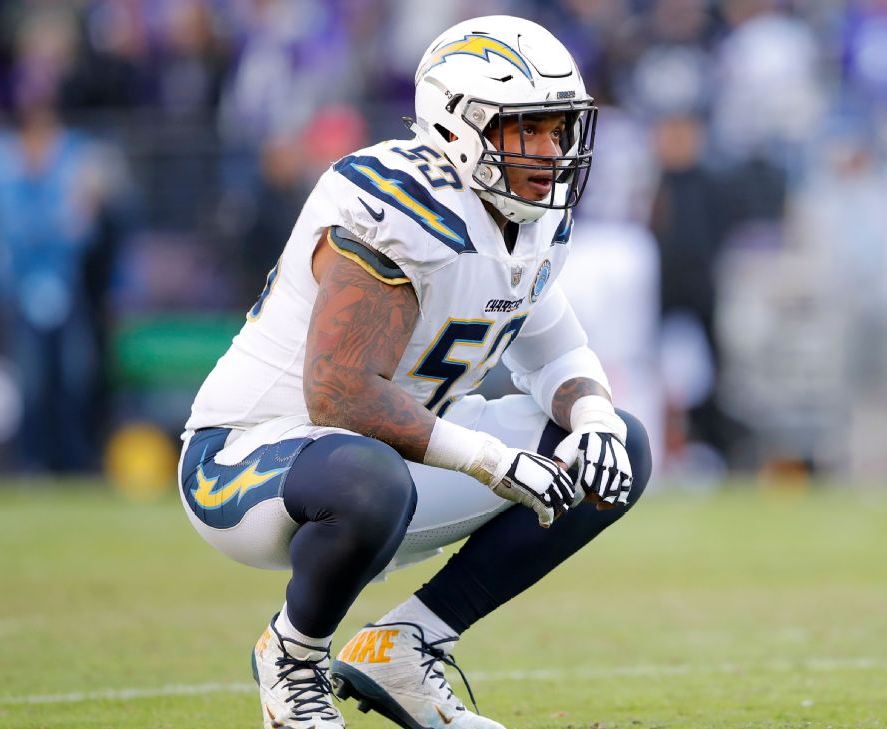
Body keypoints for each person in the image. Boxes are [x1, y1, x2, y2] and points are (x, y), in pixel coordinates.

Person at [177, 16, 651, 729]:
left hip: (395, 461)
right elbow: (339, 394)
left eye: (559, 129)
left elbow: (557, 354)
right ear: (461, 125)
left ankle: (405, 646)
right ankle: (292, 659)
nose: (551, 151)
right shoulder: (396, 201)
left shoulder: (528, 217)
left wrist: (595, 420)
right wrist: (490, 459)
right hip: (251, 459)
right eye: (528, 129)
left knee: (616, 446)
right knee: (368, 475)